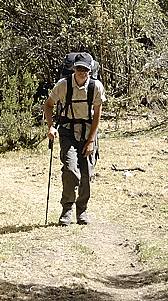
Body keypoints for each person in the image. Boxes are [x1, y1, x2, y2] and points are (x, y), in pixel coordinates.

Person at [44, 51, 106, 226]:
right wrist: (50, 126)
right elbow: (48, 105)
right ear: (73, 68)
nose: (82, 72)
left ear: (90, 69)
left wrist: (91, 140)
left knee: (86, 174)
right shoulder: (63, 85)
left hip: (88, 132)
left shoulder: (96, 87)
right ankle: (67, 209)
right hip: (68, 132)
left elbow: (97, 116)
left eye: (85, 69)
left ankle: (82, 210)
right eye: (79, 68)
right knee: (71, 170)